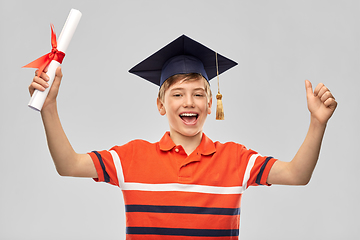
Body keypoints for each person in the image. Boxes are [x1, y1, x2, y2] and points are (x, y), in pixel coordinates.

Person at [28, 35, 337, 239]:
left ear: (210, 103)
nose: (189, 102)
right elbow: (68, 165)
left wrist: (317, 123)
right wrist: (49, 107)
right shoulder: (131, 158)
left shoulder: (236, 160)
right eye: (177, 94)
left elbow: (298, 175)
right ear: (161, 104)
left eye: (198, 94)